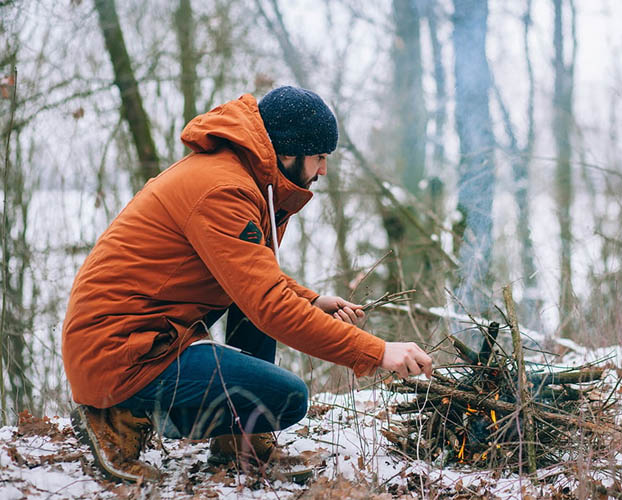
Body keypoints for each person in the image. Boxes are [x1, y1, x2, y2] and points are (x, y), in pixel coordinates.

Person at [62, 86, 433, 483]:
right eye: (320, 157)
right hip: (120, 353)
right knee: (287, 397)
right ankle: (115, 415)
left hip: (146, 336)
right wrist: (377, 353)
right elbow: (269, 304)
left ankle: (238, 443)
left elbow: (251, 273)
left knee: (251, 306)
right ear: (288, 152)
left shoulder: (243, 177)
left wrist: (310, 299)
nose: (323, 170)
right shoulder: (223, 189)